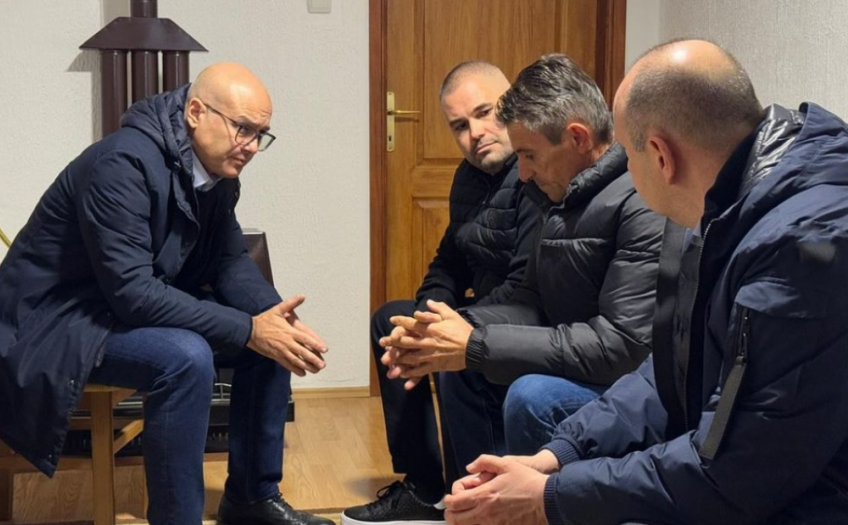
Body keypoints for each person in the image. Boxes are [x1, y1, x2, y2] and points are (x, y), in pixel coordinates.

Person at [444, 39, 848, 525]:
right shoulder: (724, 205)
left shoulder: (802, 251)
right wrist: (559, 455)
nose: (623, 171)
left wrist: (551, 496)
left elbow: (736, 476)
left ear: (660, 156)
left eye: (626, 156)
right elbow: (673, 367)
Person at [0, 63, 333, 525]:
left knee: (272, 344)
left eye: (261, 134)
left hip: (105, 310)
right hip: (49, 322)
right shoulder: (122, 163)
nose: (253, 146)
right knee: (186, 357)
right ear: (196, 112)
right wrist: (249, 329)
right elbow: (133, 293)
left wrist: (271, 318)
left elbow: (229, 260)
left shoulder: (215, 169)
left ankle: (251, 500)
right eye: (243, 129)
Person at [381, 54, 662, 472]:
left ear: (578, 138)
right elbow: (529, 302)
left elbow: (621, 347)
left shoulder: (640, 203)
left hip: (632, 383)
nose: (524, 173)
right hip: (578, 353)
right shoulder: (561, 197)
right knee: (458, 358)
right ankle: (466, 494)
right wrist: (451, 332)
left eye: (529, 156)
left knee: (531, 394)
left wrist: (477, 343)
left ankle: (527, 498)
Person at [342, 60, 542, 525]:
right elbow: (448, 262)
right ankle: (426, 487)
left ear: (512, 105)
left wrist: (448, 329)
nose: (475, 133)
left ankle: (477, 499)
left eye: (485, 113)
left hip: (531, 317)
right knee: (390, 320)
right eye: (459, 126)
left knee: (454, 349)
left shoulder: (536, 174)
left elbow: (526, 288)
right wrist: (423, 318)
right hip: (488, 310)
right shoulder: (467, 179)